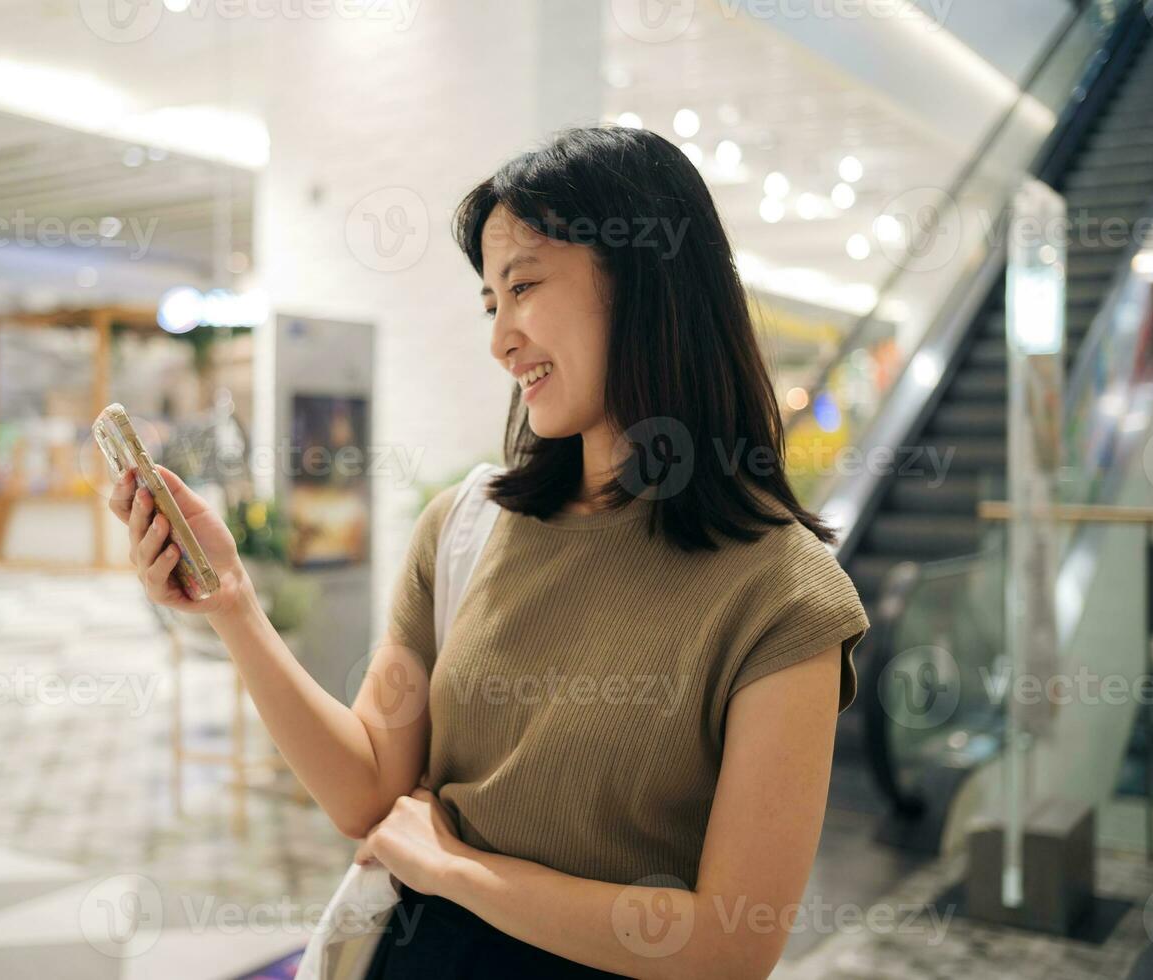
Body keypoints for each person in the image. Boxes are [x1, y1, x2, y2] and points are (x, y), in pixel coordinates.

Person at [108, 125, 869, 979]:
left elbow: (727, 946)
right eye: (489, 303)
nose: (501, 338)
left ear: (648, 280)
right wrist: (234, 607)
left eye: (525, 287)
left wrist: (454, 868)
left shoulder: (786, 597)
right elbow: (367, 791)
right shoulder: (466, 526)